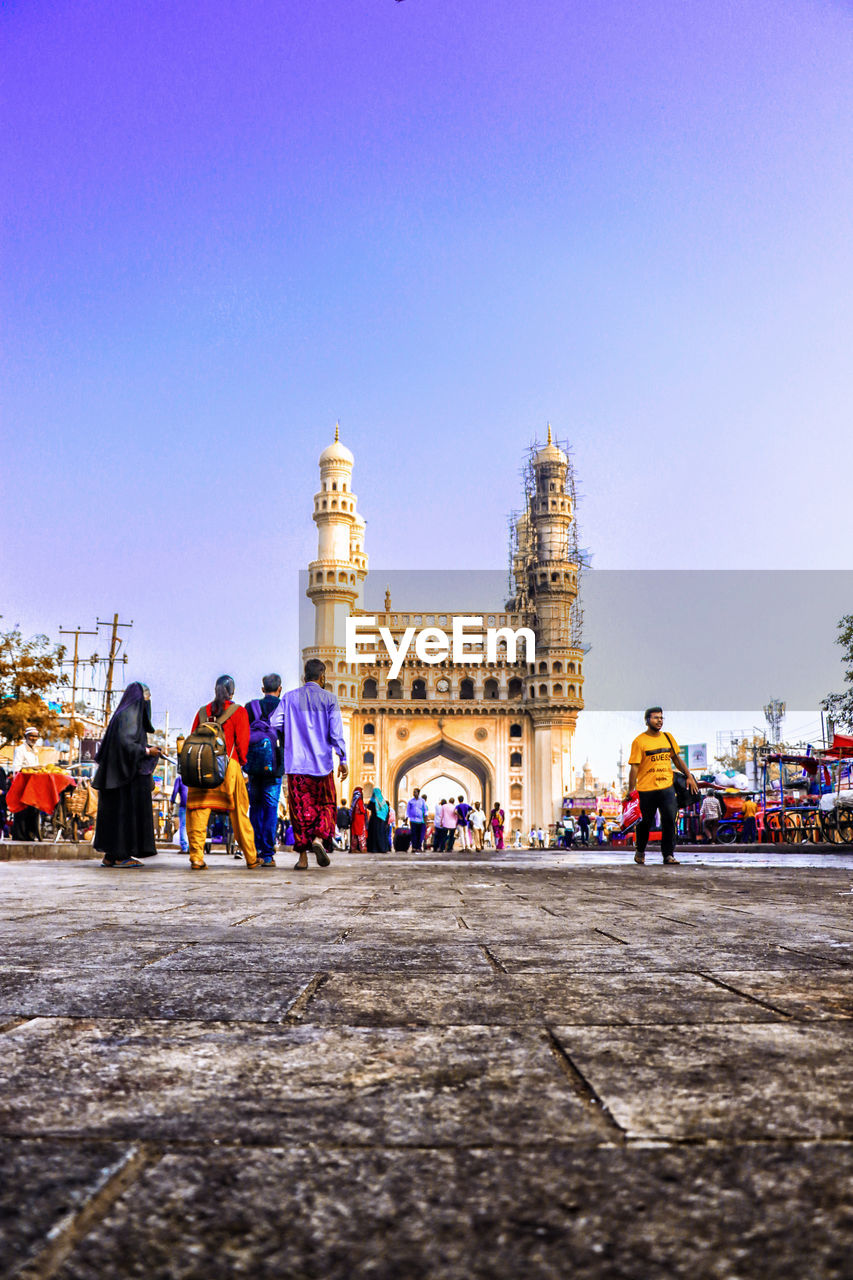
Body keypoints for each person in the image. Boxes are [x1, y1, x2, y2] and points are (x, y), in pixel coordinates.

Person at [185, 676, 261, 872]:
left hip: (200, 770)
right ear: (232, 692)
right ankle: (251, 858)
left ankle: (196, 858)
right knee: (239, 814)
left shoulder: (202, 712)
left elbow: (193, 737)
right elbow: (243, 746)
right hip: (228, 769)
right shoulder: (239, 712)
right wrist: (240, 763)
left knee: (198, 813)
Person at [282, 658, 348, 871]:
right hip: (322, 765)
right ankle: (319, 838)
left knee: (300, 810)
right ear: (323, 677)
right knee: (327, 805)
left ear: (304, 677)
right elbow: (336, 732)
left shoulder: (290, 697)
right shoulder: (329, 699)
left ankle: (302, 858)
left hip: (297, 766)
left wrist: (291, 734)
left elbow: (275, 723)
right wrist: (343, 758)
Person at [92, 683, 161, 868]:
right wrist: (147, 751)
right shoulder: (130, 715)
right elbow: (126, 744)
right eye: (147, 699)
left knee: (115, 817)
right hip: (124, 779)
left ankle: (110, 855)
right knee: (124, 816)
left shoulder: (121, 715)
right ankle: (121, 856)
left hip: (116, 777)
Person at [628, 707, 698, 866]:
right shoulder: (639, 741)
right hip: (646, 789)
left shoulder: (668, 738)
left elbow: (677, 760)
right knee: (644, 823)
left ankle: (668, 854)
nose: (659, 720)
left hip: (666, 787)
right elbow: (634, 767)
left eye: (661, 718)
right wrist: (631, 790)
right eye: (655, 718)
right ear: (647, 720)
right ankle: (640, 850)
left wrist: (689, 776)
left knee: (670, 820)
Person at [245, 673, 286, 867]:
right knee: (271, 809)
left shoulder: (251, 707)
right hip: (274, 768)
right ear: (280, 689)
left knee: (255, 808)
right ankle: (268, 854)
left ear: (262, 689)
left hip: (253, 767)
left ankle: (254, 851)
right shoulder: (284, 707)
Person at [11, 727, 42, 841]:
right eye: (31, 736)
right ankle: (20, 836)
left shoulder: (35, 750)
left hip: (33, 784)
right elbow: (17, 768)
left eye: (35, 736)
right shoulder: (20, 750)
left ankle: (30, 835)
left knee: (32, 810)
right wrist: (32, 768)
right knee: (22, 810)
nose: (33, 738)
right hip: (22, 784)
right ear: (26, 737)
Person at [367, 786, 391, 852]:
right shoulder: (382, 801)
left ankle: (374, 848)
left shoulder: (373, 801)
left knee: (374, 835)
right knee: (381, 834)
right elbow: (386, 810)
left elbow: (369, 807)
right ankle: (382, 848)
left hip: (374, 820)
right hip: (382, 820)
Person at [171, 773, 189, 853]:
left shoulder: (180, 779)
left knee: (183, 826)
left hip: (184, 805)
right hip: (195, 804)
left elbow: (175, 791)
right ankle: (193, 847)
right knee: (194, 826)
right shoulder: (194, 777)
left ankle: (184, 848)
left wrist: (172, 802)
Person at [406, 786, 427, 851]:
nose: (414, 793)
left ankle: (418, 847)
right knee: (413, 834)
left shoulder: (422, 801)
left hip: (420, 820)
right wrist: (406, 818)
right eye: (413, 792)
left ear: (418, 793)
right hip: (413, 820)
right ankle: (414, 847)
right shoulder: (410, 801)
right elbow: (408, 810)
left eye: (415, 792)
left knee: (419, 835)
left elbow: (425, 810)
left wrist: (425, 818)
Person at [350, 787, 367, 852]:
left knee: (354, 835)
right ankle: (362, 848)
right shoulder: (359, 800)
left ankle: (353, 848)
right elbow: (363, 810)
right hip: (360, 820)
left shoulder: (354, 801)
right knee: (361, 834)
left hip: (354, 819)